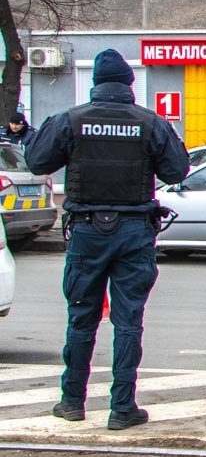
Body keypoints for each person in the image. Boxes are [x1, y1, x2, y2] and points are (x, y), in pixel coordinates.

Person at [25, 49, 188, 430]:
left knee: (81, 318)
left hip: (86, 231)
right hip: (134, 231)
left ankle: (72, 401)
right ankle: (122, 407)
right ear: (130, 85)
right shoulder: (150, 123)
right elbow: (178, 169)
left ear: (96, 83)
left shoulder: (71, 120)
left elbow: (37, 161)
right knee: (129, 321)